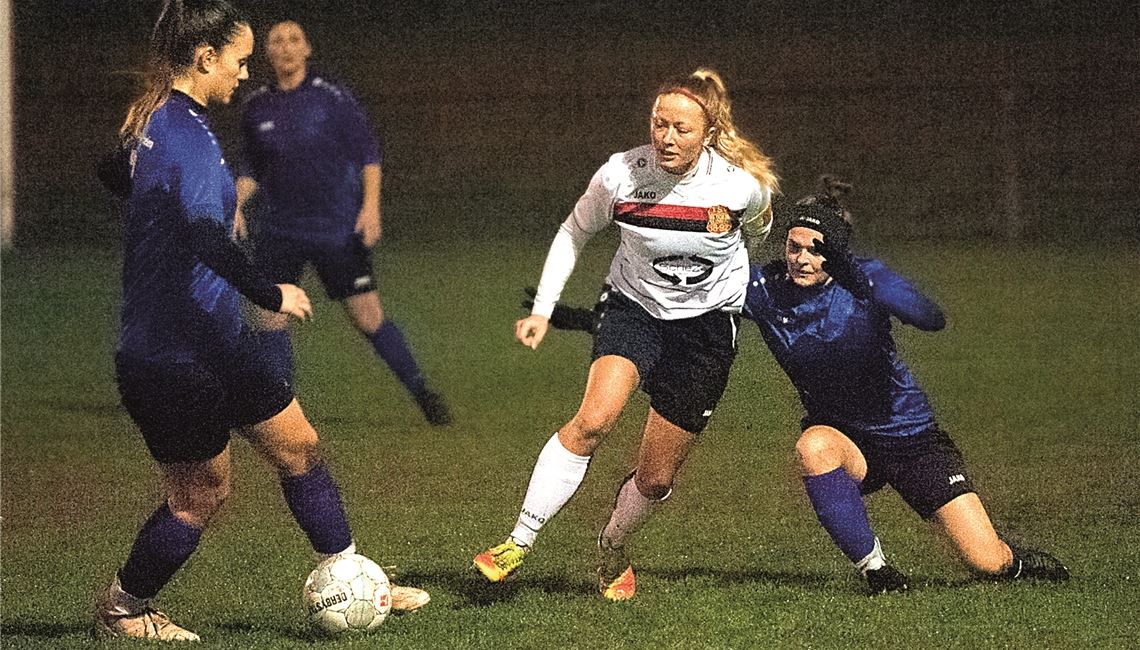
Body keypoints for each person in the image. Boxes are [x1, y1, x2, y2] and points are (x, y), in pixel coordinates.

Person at [539, 177, 1070, 594]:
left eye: (815, 249)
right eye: (794, 246)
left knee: (986, 561)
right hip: (843, 436)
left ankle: (1013, 560)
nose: (801, 258)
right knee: (812, 445)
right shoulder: (766, 290)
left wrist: (866, 284)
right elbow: (682, 314)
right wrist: (595, 320)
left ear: (835, 255)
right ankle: (877, 571)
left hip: (911, 437)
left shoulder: (867, 280)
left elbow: (933, 319)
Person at [94, 2, 428, 641]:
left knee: (300, 446)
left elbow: (117, 175)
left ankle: (352, 574)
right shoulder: (183, 132)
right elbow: (201, 233)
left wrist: (153, 215)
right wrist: (269, 292)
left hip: (214, 338)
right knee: (200, 497)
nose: (244, 76)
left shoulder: (164, 121)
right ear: (204, 58)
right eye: (239, 62)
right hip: (167, 355)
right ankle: (121, 611)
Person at [473, 68, 778, 601]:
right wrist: (543, 309)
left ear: (708, 132)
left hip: (707, 330)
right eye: (659, 124)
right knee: (594, 420)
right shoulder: (619, 175)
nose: (666, 137)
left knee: (657, 478)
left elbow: (759, 230)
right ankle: (518, 540)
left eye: (682, 128)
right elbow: (575, 231)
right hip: (633, 310)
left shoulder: (740, 186)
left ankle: (612, 545)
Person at [232, 20, 450, 426]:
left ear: (307, 49)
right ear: (266, 52)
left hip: (336, 228)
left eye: (294, 40)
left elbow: (368, 153)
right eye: (276, 41)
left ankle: (423, 393)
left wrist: (371, 208)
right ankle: (279, 411)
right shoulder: (257, 105)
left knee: (369, 318)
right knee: (269, 318)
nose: (285, 48)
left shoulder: (332, 99)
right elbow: (251, 167)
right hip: (279, 230)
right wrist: (237, 203)